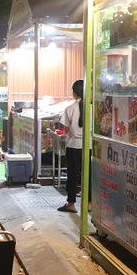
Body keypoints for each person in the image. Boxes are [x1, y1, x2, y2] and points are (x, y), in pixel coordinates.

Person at [57, 80, 84, 213]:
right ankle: (89, 203)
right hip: (89, 146)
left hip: (73, 146)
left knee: (72, 176)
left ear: (74, 93)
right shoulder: (93, 108)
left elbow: (66, 129)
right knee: (88, 174)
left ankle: (71, 204)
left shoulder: (70, 109)